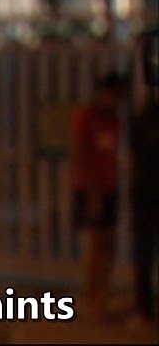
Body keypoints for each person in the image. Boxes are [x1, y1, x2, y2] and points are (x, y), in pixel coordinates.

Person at [69, 70, 127, 320]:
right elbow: (81, 154)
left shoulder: (113, 120)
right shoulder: (86, 116)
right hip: (90, 188)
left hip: (109, 186)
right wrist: (92, 193)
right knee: (95, 246)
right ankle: (91, 298)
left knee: (108, 244)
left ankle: (102, 296)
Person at [128, 28, 159, 328]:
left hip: (145, 187)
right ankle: (143, 306)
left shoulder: (144, 111)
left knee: (144, 249)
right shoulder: (145, 111)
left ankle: (144, 306)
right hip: (146, 189)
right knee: (144, 250)